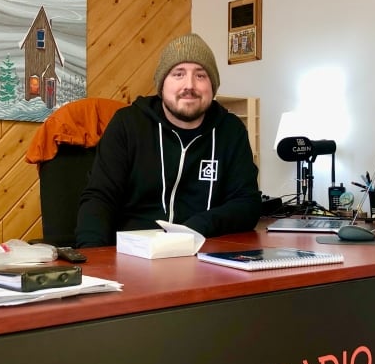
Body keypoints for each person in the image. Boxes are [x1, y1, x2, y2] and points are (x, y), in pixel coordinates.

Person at [75, 33, 261, 247]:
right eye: (178, 74)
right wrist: (93, 260)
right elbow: (99, 198)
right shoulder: (128, 124)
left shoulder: (230, 130)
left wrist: (198, 226)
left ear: (213, 86)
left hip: (204, 258)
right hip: (133, 258)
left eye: (200, 76)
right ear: (162, 84)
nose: (189, 85)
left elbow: (247, 203)